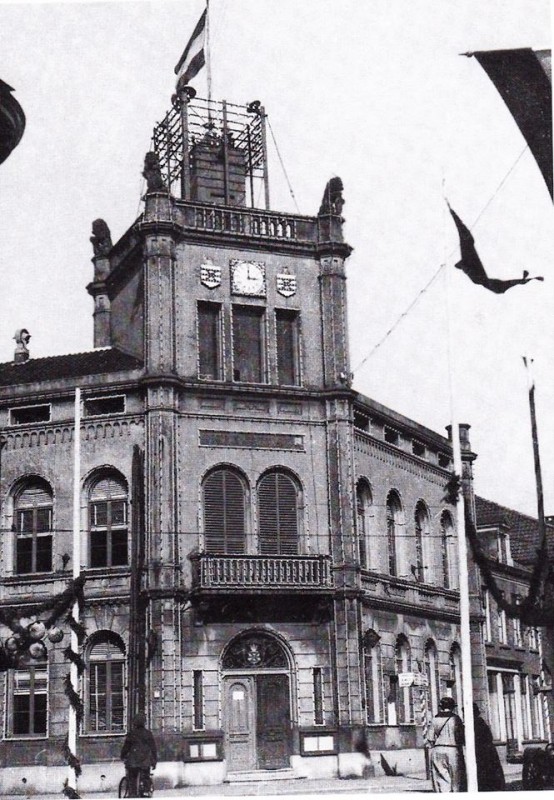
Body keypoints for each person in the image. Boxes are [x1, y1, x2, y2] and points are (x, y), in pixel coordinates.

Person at [427, 696, 466, 792]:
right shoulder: (456, 719)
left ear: (441, 706)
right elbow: (461, 736)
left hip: (438, 749)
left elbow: (430, 738)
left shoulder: (434, 719)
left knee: (441, 777)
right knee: (456, 777)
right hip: (453, 749)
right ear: (453, 707)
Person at [121, 713, 157, 797]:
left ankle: (133, 794)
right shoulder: (148, 734)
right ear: (144, 722)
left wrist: (122, 756)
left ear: (135, 723)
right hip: (145, 762)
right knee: (145, 777)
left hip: (133, 762)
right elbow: (153, 749)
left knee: (132, 779)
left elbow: (126, 747)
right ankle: (146, 791)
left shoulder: (131, 734)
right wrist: (154, 761)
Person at [473, 703, 505, 791]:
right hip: (488, 750)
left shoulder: (476, 723)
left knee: (485, 771)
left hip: (482, 751)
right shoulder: (481, 722)